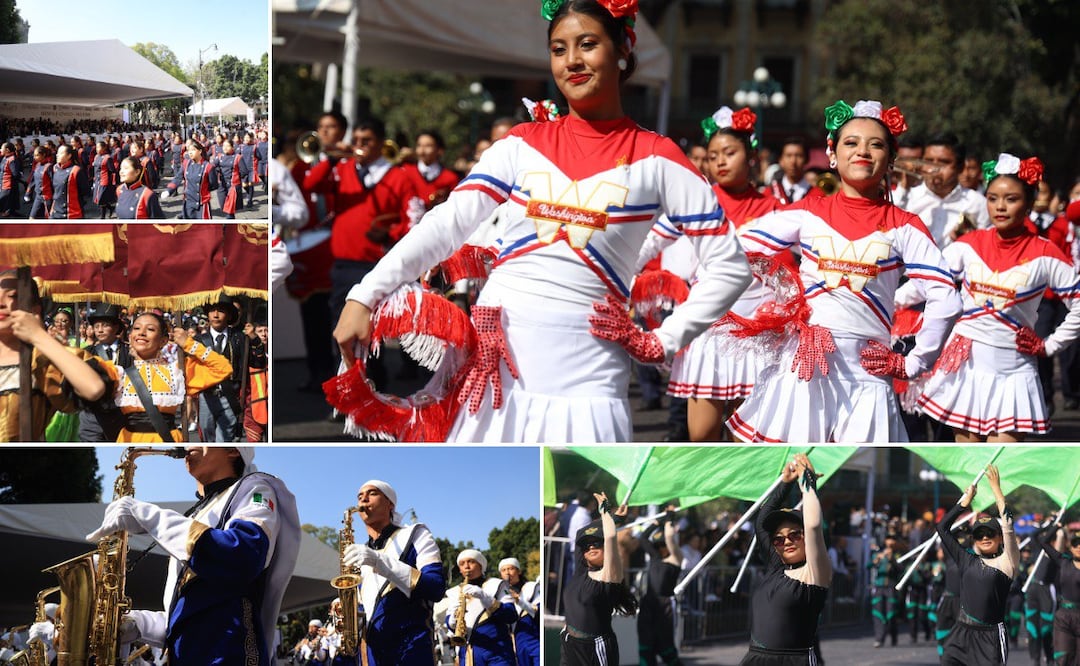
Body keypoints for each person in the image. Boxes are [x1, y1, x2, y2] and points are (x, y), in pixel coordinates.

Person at [333, 0, 751, 442]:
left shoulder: (660, 157)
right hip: (496, 364)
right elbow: (448, 223)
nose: (572, 60)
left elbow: (730, 266)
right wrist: (365, 296)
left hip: (589, 374)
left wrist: (660, 340)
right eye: (558, 49)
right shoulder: (521, 144)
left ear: (623, 49)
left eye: (587, 44)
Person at [730, 99, 962, 442]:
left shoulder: (905, 226)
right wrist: (782, 308)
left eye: (876, 144)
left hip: (867, 377)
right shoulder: (808, 212)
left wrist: (912, 363)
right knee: (787, 469)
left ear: (891, 159)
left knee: (851, 471)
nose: (863, 152)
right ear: (833, 155)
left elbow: (946, 298)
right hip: (804, 366)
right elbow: (734, 248)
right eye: (851, 143)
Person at [83, 447, 301, 665]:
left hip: (227, 653)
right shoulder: (198, 514)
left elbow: (242, 556)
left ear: (234, 451)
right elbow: (189, 612)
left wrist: (152, 517)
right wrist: (137, 624)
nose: (189, 446)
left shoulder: (255, 488)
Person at [917, 153, 1080, 442]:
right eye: (992, 198)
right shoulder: (967, 245)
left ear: (1029, 203)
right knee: (969, 461)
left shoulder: (1045, 253)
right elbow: (927, 283)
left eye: (1011, 199)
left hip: (1013, 370)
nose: (1000, 207)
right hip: (965, 366)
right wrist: (890, 302)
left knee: (1000, 459)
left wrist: (1050, 345)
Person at [649, 106, 780, 441]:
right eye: (712, 156)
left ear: (751, 156)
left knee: (746, 440)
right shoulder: (698, 202)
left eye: (730, 153)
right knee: (701, 437)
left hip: (756, 331)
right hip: (709, 328)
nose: (720, 162)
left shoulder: (774, 208)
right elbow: (651, 241)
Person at [340, 479, 446, 665]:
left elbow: (435, 587)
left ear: (390, 504)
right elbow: (368, 607)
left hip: (412, 648)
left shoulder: (415, 534)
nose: (363, 499)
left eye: (372, 493)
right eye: (359, 496)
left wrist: (378, 560)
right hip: (374, 652)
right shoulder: (361, 554)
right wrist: (348, 611)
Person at [739, 453, 830, 665]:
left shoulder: (815, 572)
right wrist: (784, 485)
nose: (786, 542)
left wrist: (808, 485)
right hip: (755, 659)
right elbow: (762, 523)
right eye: (778, 540)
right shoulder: (775, 568)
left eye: (795, 535)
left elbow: (814, 525)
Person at [0, 270, 106, 441]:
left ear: (34, 309)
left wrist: (38, 336)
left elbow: (93, 388)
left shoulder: (40, 358)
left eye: (12, 296)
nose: (1, 303)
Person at [96, 311, 233, 442]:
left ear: (163, 341)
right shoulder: (118, 374)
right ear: (130, 336)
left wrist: (189, 344)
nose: (141, 333)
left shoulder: (176, 372)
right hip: (130, 441)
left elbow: (223, 368)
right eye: (137, 328)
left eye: (150, 329)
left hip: (167, 443)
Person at [937, 464, 1018, 665]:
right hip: (960, 634)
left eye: (990, 533)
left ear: (999, 538)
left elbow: (1008, 524)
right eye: (979, 535)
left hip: (989, 639)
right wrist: (964, 503)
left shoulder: (1007, 561)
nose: (984, 538)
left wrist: (996, 490)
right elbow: (942, 528)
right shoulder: (966, 559)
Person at [560, 492, 636, 666]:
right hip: (569, 642)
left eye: (596, 543)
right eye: (587, 546)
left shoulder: (610, 574)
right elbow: (581, 532)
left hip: (596, 647)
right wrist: (614, 518)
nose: (591, 546)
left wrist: (606, 513)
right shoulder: (581, 571)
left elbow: (609, 537)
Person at [896, 132, 989, 248]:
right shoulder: (906, 199)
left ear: (959, 167)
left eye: (943, 162)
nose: (934, 168)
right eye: (928, 161)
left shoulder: (977, 204)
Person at [445, 549, 516, 665]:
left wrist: (485, 597)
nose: (466, 567)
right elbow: (450, 625)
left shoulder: (496, 584)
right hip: (469, 652)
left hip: (498, 652)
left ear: (481, 565)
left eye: (471, 562)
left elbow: (511, 615)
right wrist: (453, 618)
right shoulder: (454, 592)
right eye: (462, 564)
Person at [195, 296, 248, 442]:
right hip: (206, 396)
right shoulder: (198, 340)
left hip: (230, 396)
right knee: (206, 431)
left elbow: (252, 363)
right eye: (212, 311)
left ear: (229, 315)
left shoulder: (240, 339)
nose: (216, 315)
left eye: (221, 311)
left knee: (225, 439)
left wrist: (254, 339)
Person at [77, 303, 130, 442]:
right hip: (93, 413)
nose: (99, 330)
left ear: (116, 327)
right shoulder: (87, 352)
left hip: (121, 412)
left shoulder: (129, 352)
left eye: (105, 325)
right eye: (96, 326)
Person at [637, 514, 683, 665]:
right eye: (657, 546)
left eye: (662, 545)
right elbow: (643, 539)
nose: (659, 548)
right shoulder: (655, 557)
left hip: (665, 608)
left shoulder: (676, 558)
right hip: (648, 605)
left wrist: (669, 520)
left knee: (666, 649)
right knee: (645, 648)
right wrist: (655, 523)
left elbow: (670, 538)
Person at [1034, 524, 1080, 665]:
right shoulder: (1063, 561)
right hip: (1064, 616)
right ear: (1070, 547)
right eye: (1075, 544)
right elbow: (1042, 541)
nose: (1079, 547)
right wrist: (1056, 525)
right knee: (1063, 657)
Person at [163, 139, 219, 219]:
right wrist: (169, 190)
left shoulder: (208, 167)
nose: (190, 152)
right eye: (188, 150)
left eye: (193, 150)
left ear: (200, 151)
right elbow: (178, 177)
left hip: (201, 204)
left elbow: (213, 185)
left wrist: (203, 189)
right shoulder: (186, 163)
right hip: (188, 202)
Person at [499, 557, 540, 666]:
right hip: (517, 642)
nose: (508, 573)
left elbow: (538, 612)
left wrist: (519, 600)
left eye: (511, 569)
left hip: (535, 637)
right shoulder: (500, 594)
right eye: (504, 570)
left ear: (519, 571)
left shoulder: (531, 587)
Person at [869, 534, 903, 648]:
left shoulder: (898, 555)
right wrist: (876, 560)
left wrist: (892, 559)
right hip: (879, 587)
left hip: (890, 588)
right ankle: (879, 638)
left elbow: (901, 569)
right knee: (878, 614)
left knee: (891, 614)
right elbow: (868, 565)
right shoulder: (878, 553)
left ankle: (893, 635)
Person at [767, 137, 821, 205]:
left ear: (806, 160)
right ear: (780, 160)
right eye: (788, 156)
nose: (793, 161)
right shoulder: (769, 193)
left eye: (799, 156)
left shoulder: (817, 196)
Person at [50, 144, 90, 219]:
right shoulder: (55, 168)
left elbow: (85, 191)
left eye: (61, 153)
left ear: (69, 156)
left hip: (71, 213)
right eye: (57, 153)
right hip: (55, 211)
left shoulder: (76, 170)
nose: (57, 155)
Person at [24, 146, 54, 219]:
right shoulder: (37, 165)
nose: (34, 157)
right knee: (32, 218)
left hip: (47, 197)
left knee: (49, 219)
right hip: (38, 196)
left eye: (37, 155)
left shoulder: (49, 166)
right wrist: (28, 193)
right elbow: (33, 180)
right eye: (34, 155)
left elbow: (54, 182)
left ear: (43, 155)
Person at [92, 140, 118, 218]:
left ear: (104, 148)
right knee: (98, 199)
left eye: (98, 147)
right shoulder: (96, 156)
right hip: (97, 180)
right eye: (96, 147)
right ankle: (111, 208)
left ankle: (102, 217)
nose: (97, 149)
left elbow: (112, 169)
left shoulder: (108, 158)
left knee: (101, 199)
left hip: (104, 180)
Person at [0, 142, 22, 217]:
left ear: (7, 150)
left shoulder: (12, 159)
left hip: (8, 186)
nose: (0, 150)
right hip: (3, 184)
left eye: (1, 148)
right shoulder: (5, 157)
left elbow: (15, 174)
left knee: (4, 205)